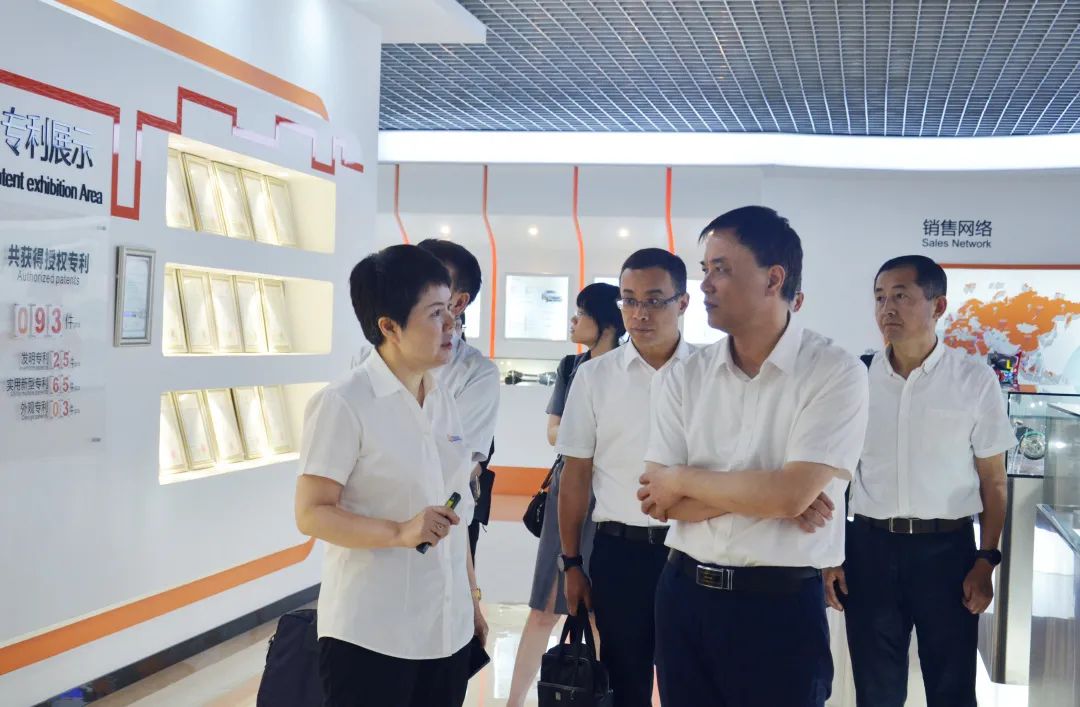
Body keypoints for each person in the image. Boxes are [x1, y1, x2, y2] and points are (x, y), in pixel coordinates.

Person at [637, 206, 868, 707]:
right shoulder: (684, 376)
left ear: (773, 279)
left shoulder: (835, 371)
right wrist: (770, 495)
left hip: (779, 606)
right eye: (705, 269)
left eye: (721, 269)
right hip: (683, 594)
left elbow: (787, 496)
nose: (704, 285)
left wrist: (685, 479)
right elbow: (658, 500)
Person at [294, 244, 487, 707]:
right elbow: (312, 513)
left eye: (452, 310)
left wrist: (471, 600)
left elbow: (455, 509)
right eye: (436, 314)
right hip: (372, 636)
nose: (452, 325)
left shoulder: (441, 399)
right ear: (389, 327)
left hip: (446, 630)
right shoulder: (344, 402)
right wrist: (400, 532)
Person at [824, 255, 1014, 707]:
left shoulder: (973, 381)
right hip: (869, 549)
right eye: (879, 298)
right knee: (876, 689)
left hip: (946, 553)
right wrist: (830, 556)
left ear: (938, 305)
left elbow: (993, 481)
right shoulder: (856, 378)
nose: (886, 308)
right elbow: (835, 475)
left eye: (901, 296)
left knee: (951, 687)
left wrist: (986, 560)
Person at [557, 249, 693, 707]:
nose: (639, 313)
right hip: (621, 554)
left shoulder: (710, 373)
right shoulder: (595, 377)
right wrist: (571, 563)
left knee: (690, 681)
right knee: (623, 683)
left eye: (654, 300)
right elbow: (576, 474)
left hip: (694, 551)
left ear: (683, 302)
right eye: (629, 300)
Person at [506, 282, 624, 707]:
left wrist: (585, 438)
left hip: (614, 493)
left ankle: (598, 697)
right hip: (568, 488)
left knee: (601, 612)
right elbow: (555, 432)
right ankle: (514, 701)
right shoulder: (571, 366)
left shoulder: (630, 368)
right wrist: (593, 439)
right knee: (544, 605)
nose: (573, 321)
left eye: (581, 313)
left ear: (606, 322)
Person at [417, 238, 501, 562]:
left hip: (440, 529)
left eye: (433, 282)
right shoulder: (369, 359)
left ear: (459, 302)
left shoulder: (475, 373)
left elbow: (459, 465)